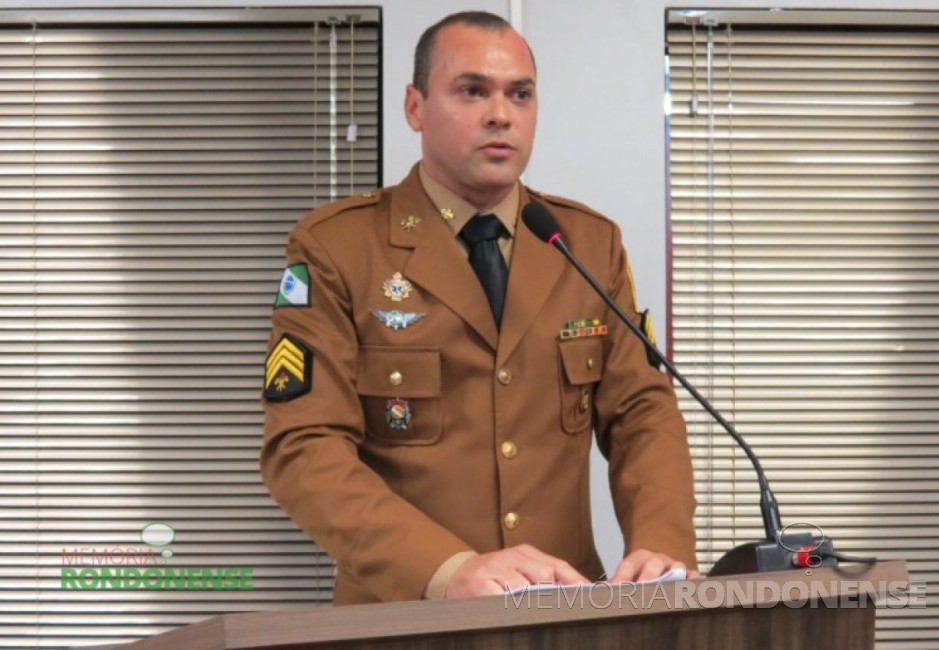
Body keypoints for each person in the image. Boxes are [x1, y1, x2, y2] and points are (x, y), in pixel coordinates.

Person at [260, 10, 697, 605]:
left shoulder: (586, 243)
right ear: (415, 107)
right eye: (472, 91)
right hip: (402, 615)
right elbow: (303, 449)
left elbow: (643, 415)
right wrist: (445, 570)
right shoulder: (339, 247)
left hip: (565, 613)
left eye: (520, 94)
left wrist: (660, 545)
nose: (501, 114)